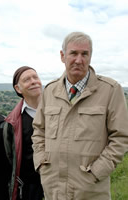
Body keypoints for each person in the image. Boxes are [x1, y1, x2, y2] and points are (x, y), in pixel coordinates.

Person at [32, 32, 128, 200]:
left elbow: (121, 137)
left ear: (91, 56)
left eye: (85, 54)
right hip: (53, 189)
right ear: (62, 56)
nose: (79, 59)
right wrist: (41, 163)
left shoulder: (110, 90)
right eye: (73, 53)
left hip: (91, 191)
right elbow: (39, 130)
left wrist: (97, 172)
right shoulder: (50, 91)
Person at [3, 66, 44, 200]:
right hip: (30, 188)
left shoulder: (58, 109)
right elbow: (10, 157)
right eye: (27, 80)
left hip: (60, 182)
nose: (33, 81)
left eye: (35, 77)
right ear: (18, 88)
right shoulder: (12, 122)